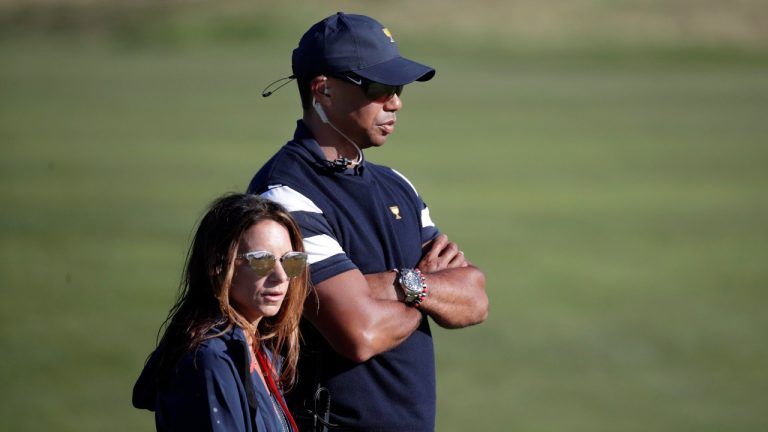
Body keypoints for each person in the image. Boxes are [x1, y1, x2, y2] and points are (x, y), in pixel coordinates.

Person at [250, 12, 489, 431]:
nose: (395, 102)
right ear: (323, 90)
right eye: (379, 88)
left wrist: (388, 287)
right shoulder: (285, 196)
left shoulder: (397, 185)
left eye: (397, 89)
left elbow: (474, 301)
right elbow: (360, 333)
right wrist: (422, 285)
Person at [132, 193, 310, 431]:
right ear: (218, 265)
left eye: (290, 261)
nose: (281, 276)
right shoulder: (210, 360)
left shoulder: (257, 349)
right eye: (261, 260)